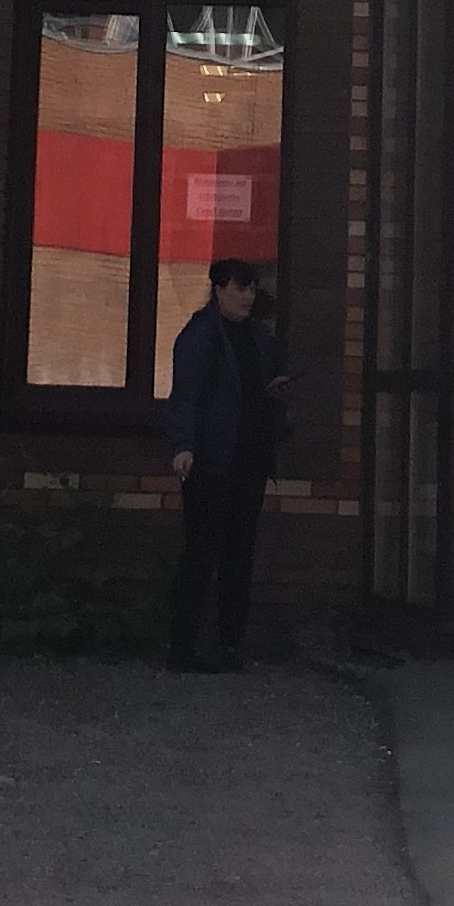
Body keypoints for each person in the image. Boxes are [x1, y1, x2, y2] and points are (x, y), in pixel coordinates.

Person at [163, 257, 289, 674]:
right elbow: (184, 397)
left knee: (239, 553)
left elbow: (255, 389)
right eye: (239, 288)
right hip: (210, 462)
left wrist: (272, 393)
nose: (247, 297)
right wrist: (183, 446)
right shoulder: (201, 335)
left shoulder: (258, 337)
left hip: (248, 460)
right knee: (201, 553)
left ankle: (230, 644)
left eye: (251, 289)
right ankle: (182, 646)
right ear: (218, 290)